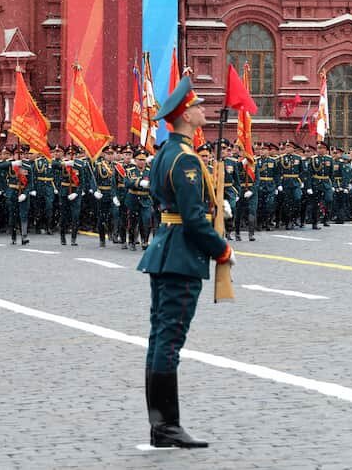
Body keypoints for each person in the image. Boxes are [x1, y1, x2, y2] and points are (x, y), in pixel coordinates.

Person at [137, 76, 235, 449]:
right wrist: (221, 249)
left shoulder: (166, 153)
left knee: (159, 337)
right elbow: (194, 220)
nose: (203, 111)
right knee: (169, 340)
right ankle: (167, 426)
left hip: (165, 250)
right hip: (180, 256)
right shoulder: (185, 159)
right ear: (185, 115)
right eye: (197, 106)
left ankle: (160, 426)